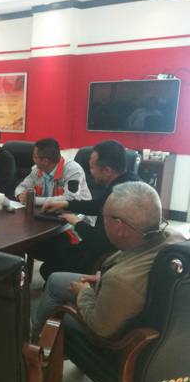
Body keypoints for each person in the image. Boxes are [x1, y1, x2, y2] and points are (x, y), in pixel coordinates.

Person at [31, 181, 186, 339]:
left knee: (59, 312)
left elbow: (100, 328)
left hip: (113, 339)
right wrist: (102, 281)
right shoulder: (175, 238)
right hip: (131, 304)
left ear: (119, 227)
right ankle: (35, 330)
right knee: (55, 280)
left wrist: (83, 294)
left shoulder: (120, 279)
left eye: (104, 218)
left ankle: (36, 337)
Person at [37, 140, 142, 280]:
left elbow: (98, 240)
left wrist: (76, 222)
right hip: (105, 249)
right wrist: (66, 204)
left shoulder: (120, 196)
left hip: (99, 257)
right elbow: (97, 205)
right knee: (55, 249)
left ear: (107, 171)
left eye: (92, 168)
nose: (90, 173)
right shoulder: (127, 181)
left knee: (48, 267)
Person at [15, 137, 91, 206]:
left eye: (34, 157)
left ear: (45, 161)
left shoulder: (73, 170)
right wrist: (20, 195)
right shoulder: (36, 170)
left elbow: (70, 199)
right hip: (49, 212)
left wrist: (32, 200)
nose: (33, 159)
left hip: (78, 213)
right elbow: (22, 187)